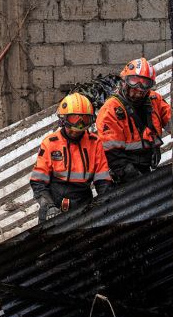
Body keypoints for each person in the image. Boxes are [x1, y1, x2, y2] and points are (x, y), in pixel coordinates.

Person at [30, 92, 112, 222]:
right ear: (63, 120)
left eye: (83, 120)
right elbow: (38, 181)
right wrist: (48, 205)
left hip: (83, 203)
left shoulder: (94, 143)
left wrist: (105, 201)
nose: (77, 127)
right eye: (74, 119)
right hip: (54, 204)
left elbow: (102, 180)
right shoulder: (51, 143)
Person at [96, 58, 172, 184]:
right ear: (124, 81)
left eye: (144, 84)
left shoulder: (154, 100)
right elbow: (112, 154)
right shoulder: (110, 110)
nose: (138, 89)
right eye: (134, 82)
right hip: (123, 170)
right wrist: (132, 175)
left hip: (146, 164)